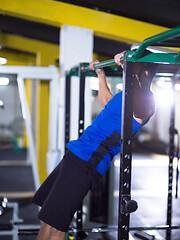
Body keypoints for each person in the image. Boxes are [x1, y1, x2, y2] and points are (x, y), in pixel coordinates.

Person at [32, 51, 156, 240]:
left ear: (145, 71)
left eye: (136, 64)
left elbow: (140, 110)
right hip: (76, 154)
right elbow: (107, 101)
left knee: (58, 225)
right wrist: (101, 76)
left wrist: (128, 66)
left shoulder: (146, 101)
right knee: (48, 217)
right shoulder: (128, 95)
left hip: (87, 163)